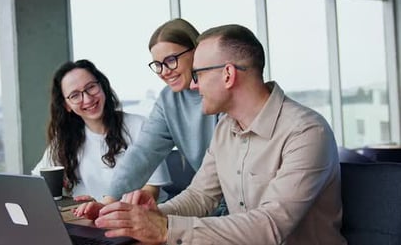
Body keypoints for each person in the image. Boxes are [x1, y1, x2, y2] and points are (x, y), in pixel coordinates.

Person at [93, 24, 346, 244]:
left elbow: (270, 226)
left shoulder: (306, 132)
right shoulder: (226, 128)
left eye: (198, 74)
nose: (193, 85)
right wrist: (155, 215)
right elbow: (200, 196)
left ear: (228, 75)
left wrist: (165, 228)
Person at [74, 18, 223, 218]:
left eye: (171, 60)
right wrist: (109, 201)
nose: (164, 72)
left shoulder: (221, 93)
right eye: (158, 65)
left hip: (241, 205)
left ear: (196, 51)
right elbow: (142, 154)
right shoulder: (168, 100)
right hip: (207, 203)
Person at [31, 59, 171, 203]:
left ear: (102, 86)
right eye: (75, 95)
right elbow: (36, 183)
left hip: (141, 217)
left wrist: (105, 207)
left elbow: (152, 190)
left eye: (91, 87)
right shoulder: (64, 140)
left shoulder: (139, 126)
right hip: (93, 221)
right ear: (66, 105)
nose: (87, 99)